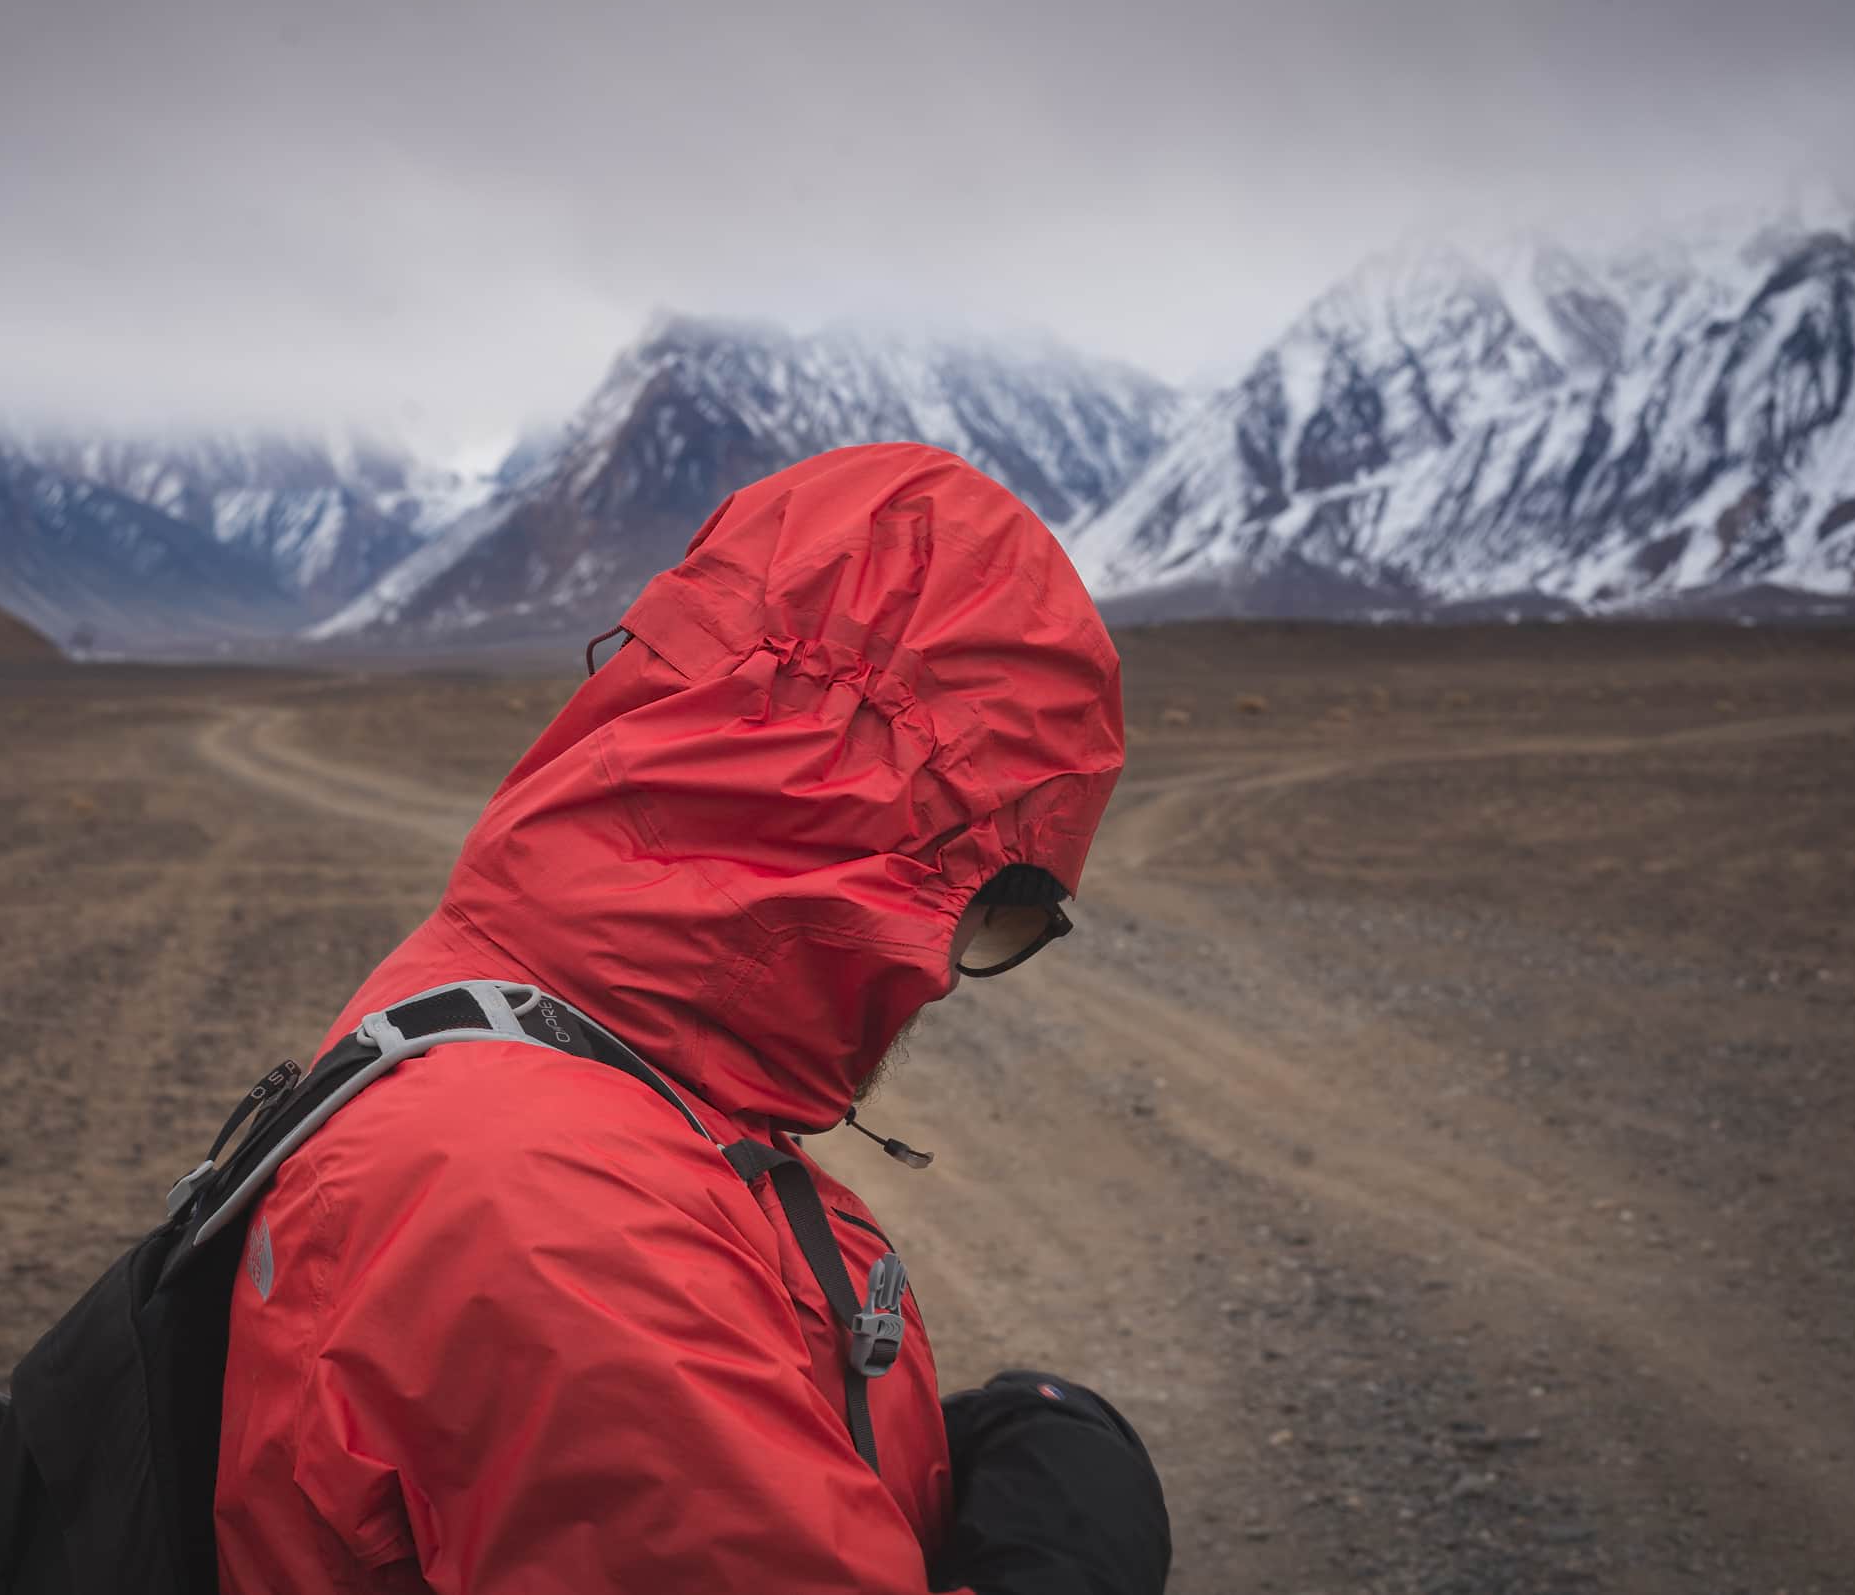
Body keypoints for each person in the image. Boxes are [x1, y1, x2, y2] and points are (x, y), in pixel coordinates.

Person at [213, 443, 1169, 1593]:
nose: (949, 977)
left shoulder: (510, 1002)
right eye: (991, 911)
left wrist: (871, 1456)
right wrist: (1074, 1557)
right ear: (863, 850)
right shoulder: (563, 1231)